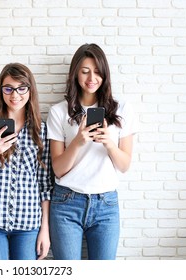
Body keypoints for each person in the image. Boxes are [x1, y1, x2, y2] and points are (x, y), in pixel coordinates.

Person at [47, 43, 137, 260]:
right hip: (67, 203)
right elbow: (58, 169)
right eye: (85, 71)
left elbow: (124, 166)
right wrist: (78, 141)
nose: (91, 78)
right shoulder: (59, 111)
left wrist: (109, 144)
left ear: (104, 74)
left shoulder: (121, 109)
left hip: (106, 205)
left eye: (97, 71)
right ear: (75, 74)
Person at [0, 63, 53, 260]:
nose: (15, 95)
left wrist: (45, 230)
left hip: (28, 225)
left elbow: (45, 185)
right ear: (1, 91)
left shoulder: (41, 130)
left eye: (21, 88)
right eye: (8, 89)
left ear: (30, 90)